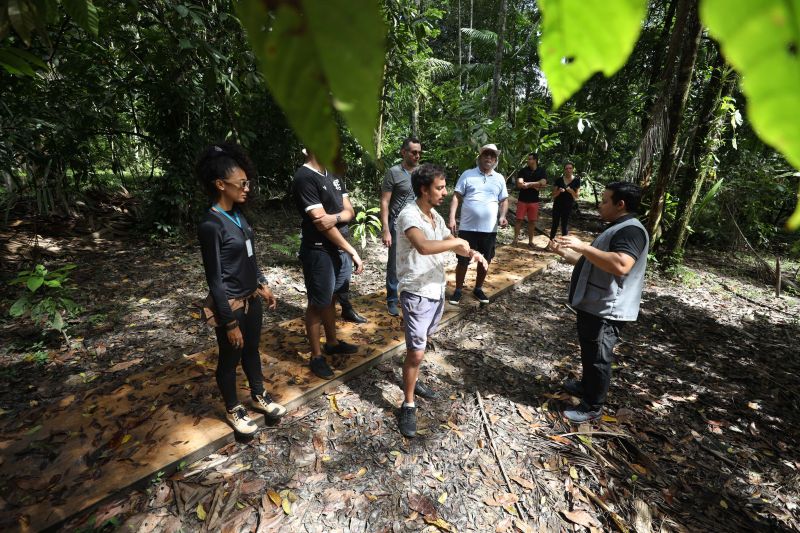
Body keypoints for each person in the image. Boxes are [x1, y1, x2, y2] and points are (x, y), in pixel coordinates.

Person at [196, 142, 287, 435]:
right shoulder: (211, 225)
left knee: (251, 349)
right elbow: (215, 280)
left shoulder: (239, 215)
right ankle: (234, 407)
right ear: (221, 185)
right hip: (231, 304)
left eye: (248, 182)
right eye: (242, 183)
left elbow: (250, 256)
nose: (247, 188)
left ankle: (259, 395)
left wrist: (262, 284)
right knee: (230, 356)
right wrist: (229, 321)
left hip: (252, 299)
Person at [396, 164, 487, 437]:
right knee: (416, 351)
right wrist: (456, 244)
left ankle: (412, 381)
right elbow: (423, 246)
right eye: (440, 187)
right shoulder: (409, 215)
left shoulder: (432, 214)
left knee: (420, 345)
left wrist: (473, 252)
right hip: (415, 291)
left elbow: (450, 238)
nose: (445, 192)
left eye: (445, 187)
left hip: (435, 290)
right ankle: (408, 403)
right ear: (424, 189)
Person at [547, 182, 649, 423]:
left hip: (608, 309)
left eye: (604, 201)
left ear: (620, 204)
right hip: (596, 304)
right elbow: (593, 262)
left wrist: (582, 246)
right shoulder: (617, 227)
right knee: (590, 351)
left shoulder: (631, 231)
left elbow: (621, 264)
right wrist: (562, 252)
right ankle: (586, 386)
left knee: (599, 357)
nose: (600, 205)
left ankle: (592, 406)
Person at [292, 150, 363, 380]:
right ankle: (316, 356)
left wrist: (336, 217)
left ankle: (331, 343)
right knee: (316, 303)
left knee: (331, 296)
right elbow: (320, 223)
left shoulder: (332, 173)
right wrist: (351, 249)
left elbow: (349, 211)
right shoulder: (304, 177)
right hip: (318, 251)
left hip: (338, 248)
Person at [447, 143, 509, 304]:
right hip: (468, 227)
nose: (489, 157)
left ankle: (478, 289)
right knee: (463, 259)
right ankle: (458, 290)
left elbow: (504, 200)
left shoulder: (499, 178)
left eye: (492, 155)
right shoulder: (468, 175)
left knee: (485, 259)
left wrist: (502, 216)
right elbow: (456, 196)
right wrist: (452, 218)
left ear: (495, 159)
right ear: (480, 157)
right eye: (486, 154)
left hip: (489, 230)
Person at [380, 137, 422, 316]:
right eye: (413, 152)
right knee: (395, 263)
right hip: (397, 224)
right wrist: (385, 229)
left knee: (417, 259)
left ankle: (411, 294)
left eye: (419, 152)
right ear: (403, 152)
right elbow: (384, 201)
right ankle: (392, 298)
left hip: (417, 224)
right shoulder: (393, 172)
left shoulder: (421, 172)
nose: (417, 155)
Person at [513, 153, 548, 246]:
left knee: (532, 221)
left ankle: (530, 241)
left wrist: (528, 184)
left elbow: (543, 183)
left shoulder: (541, 171)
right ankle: (515, 240)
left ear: (535, 160)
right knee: (518, 220)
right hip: (522, 200)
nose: (528, 160)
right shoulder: (523, 171)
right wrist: (536, 185)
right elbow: (520, 184)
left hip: (534, 201)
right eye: (528, 159)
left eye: (530, 159)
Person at [550, 162, 581, 239]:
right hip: (557, 204)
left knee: (564, 225)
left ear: (573, 169)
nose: (568, 170)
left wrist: (571, 191)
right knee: (555, 224)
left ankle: (564, 246)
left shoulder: (577, 180)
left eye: (570, 168)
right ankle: (550, 243)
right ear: (564, 170)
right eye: (566, 168)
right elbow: (553, 195)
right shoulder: (559, 180)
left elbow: (577, 196)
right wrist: (559, 191)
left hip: (568, 205)